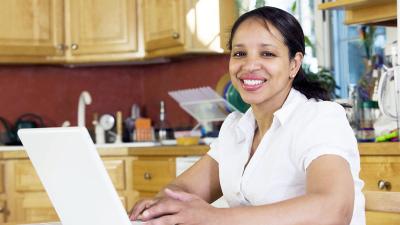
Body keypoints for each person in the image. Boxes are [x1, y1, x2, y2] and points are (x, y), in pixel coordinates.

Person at [130, 6, 365, 225]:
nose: (250, 65)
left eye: (267, 54)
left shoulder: (319, 118)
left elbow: (333, 210)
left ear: (294, 64)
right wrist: (158, 208)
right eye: (240, 53)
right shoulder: (236, 128)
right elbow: (184, 188)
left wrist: (215, 218)